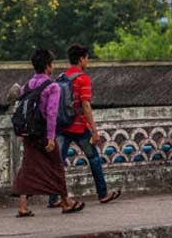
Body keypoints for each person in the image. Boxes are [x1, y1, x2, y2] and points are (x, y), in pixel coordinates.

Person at [11, 48, 85, 217]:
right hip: (44, 133)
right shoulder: (52, 87)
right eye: (52, 64)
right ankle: (66, 203)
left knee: (28, 167)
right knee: (57, 166)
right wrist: (51, 138)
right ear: (47, 66)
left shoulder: (28, 85)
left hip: (28, 133)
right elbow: (51, 114)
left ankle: (23, 206)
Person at [48, 44, 121, 207]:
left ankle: (53, 199)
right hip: (79, 128)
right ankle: (102, 194)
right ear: (81, 59)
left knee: (58, 162)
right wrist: (94, 132)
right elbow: (86, 105)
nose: (88, 61)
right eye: (87, 58)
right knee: (94, 159)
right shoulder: (83, 78)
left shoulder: (61, 78)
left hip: (62, 126)